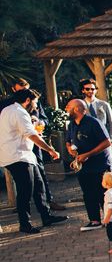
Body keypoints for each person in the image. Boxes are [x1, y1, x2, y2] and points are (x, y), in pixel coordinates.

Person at [0, 89, 67, 234]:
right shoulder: (19, 112)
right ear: (28, 100)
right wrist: (50, 150)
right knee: (26, 190)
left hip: (24, 155)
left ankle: (46, 216)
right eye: (35, 102)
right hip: (18, 157)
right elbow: (31, 135)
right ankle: (25, 224)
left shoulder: (9, 110)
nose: (36, 107)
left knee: (39, 185)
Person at [65, 98, 112, 231]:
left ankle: (111, 219)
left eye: (68, 106)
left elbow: (107, 142)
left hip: (99, 164)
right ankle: (94, 221)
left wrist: (88, 154)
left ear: (77, 109)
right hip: (82, 165)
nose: (66, 109)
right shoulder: (72, 124)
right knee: (88, 193)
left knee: (103, 192)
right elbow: (68, 141)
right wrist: (69, 148)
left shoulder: (93, 122)